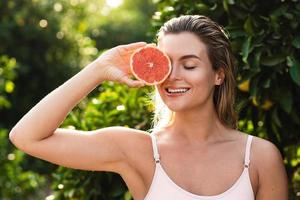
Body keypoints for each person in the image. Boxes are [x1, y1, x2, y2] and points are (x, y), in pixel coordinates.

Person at [9, 15, 288, 200]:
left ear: (219, 74)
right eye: (165, 63)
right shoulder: (137, 150)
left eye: (189, 65)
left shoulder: (260, 157)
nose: (173, 75)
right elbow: (26, 137)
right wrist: (97, 69)